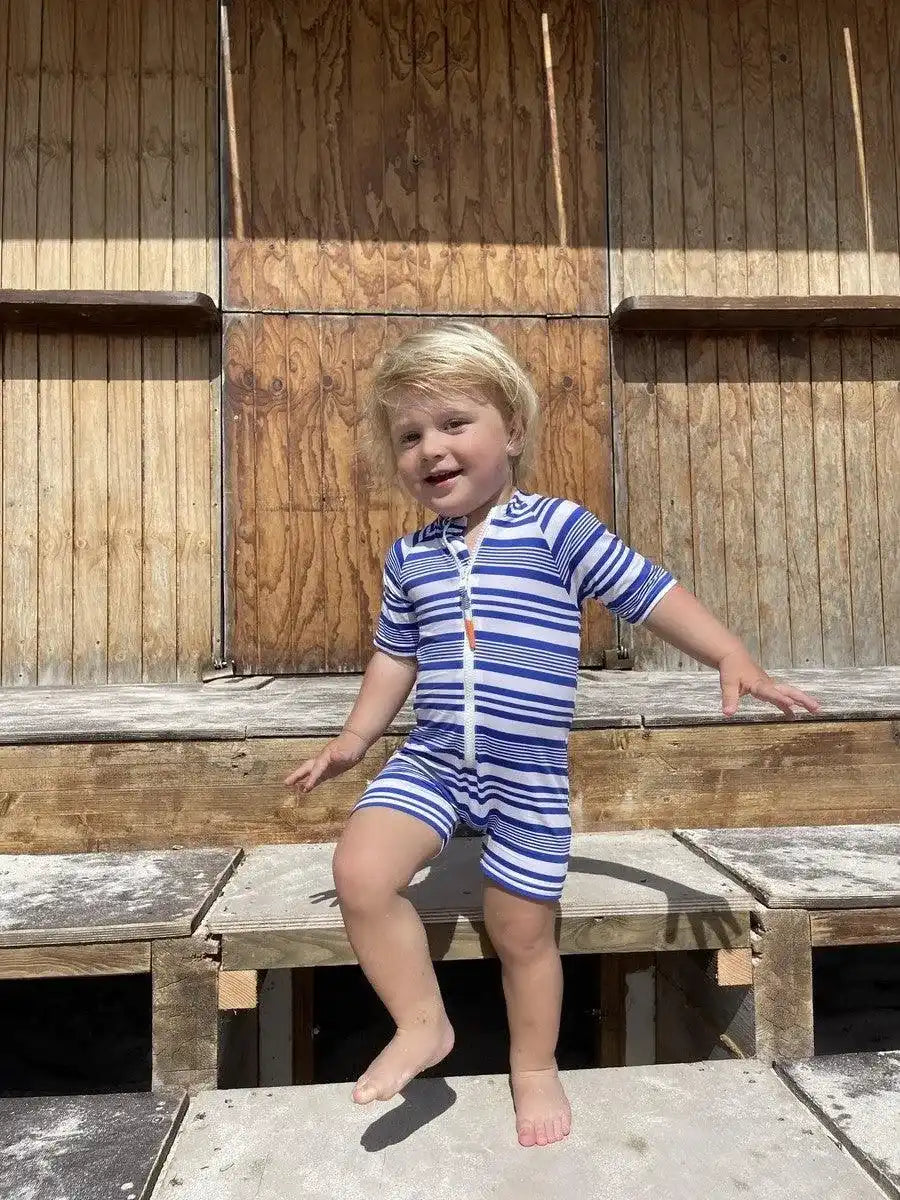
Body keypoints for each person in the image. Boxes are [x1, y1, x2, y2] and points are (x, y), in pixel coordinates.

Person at [285, 321, 820, 1148]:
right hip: (433, 763)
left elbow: (649, 592)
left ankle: (533, 1065)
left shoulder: (557, 530)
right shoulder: (410, 558)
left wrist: (729, 651)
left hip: (527, 774)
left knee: (522, 931)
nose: (432, 448)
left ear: (514, 430)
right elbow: (394, 657)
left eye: (455, 423)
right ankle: (423, 1023)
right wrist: (355, 739)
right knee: (359, 870)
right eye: (409, 435)